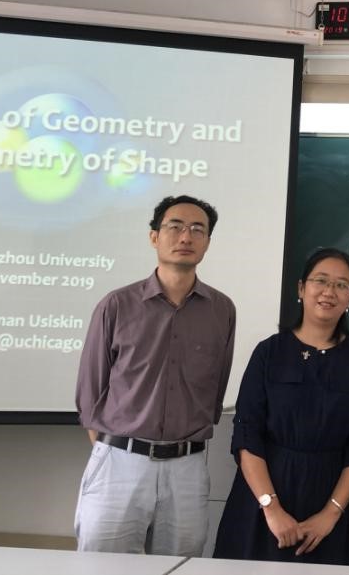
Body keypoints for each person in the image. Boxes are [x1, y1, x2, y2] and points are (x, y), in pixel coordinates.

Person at [74, 194, 236, 555]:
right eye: (175, 226)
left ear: (208, 242)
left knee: (181, 566)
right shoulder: (117, 305)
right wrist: (122, 450)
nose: (186, 236)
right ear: (154, 237)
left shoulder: (222, 310)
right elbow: (90, 394)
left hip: (187, 467)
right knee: (104, 567)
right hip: (120, 462)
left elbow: (216, 390)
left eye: (197, 229)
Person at [213, 248, 349, 564]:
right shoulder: (269, 353)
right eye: (321, 280)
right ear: (302, 288)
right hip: (262, 500)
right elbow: (247, 435)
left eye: (341, 285)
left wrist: (331, 513)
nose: (329, 291)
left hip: (328, 500)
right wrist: (271, 508)